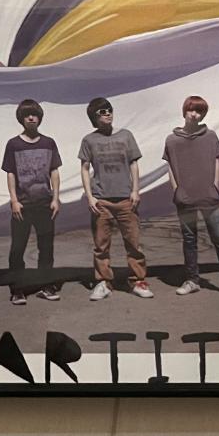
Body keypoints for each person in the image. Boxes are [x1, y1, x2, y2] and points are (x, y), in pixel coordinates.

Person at [163, 95, 219, 298]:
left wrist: (215, 186)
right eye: (191, 110)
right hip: (185, 198)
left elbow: (216, 160)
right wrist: (176, 190)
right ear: (184, 111)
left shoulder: (210, 136)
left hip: (209, 197)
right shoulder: (172, 140)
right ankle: (192, 280)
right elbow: (170, 166)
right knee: (189, 241)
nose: (195, 114)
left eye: (199, 111)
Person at [79, 97, 153, 300]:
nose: (108, 114)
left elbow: (134, 164)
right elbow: (84, 168)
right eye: (102, 112)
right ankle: (103, 282)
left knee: (134, 243)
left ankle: (138, 281)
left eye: (109, 110)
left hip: (126, 199)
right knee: (101, 245)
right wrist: (90, 197)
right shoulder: (89, 140)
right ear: (94, 117)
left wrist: (135, 190)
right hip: (101, 200)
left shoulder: (126, 135)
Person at [1, 99, 62, 305]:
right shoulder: (13, 144)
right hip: (23, 205)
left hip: (45, 204)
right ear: (21, 118)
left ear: (40, 118)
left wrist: (55, 198)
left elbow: (54, 171)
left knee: (46, 248)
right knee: (18, 248)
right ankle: (17, 289)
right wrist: (14, 200)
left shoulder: (48, 143)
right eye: (27, 115)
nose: (31, 118)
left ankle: (47, 286)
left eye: (34, 114)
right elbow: (10, 173)